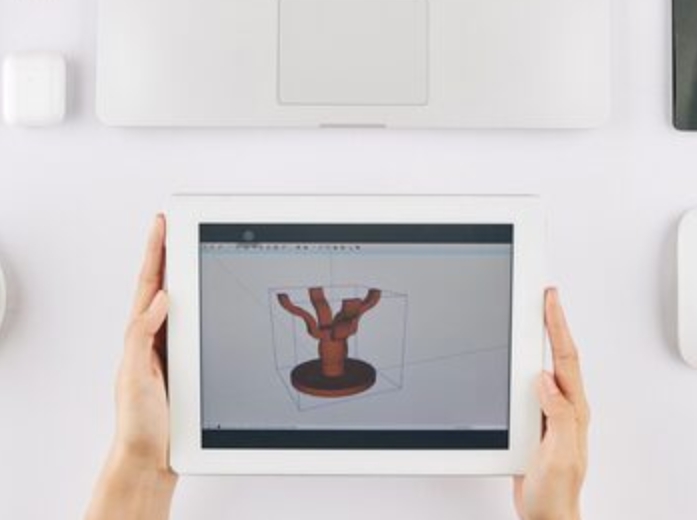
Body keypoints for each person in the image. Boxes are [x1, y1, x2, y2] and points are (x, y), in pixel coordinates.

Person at [85, 215, 591, 520]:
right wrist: (553, 514)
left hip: (337, 360)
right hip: (329, 362)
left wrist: (140, 464)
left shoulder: (340, 328)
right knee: (320, 315)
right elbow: (312, 315)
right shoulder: (328, 329)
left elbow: (335, 314)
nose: (333, 318)